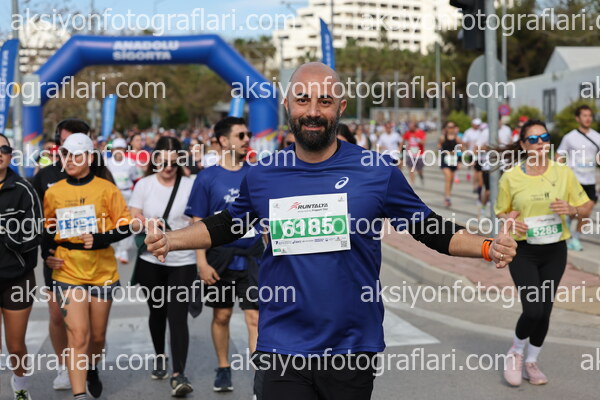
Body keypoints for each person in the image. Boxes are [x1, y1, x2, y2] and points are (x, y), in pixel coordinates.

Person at [145, 62, 518, 400]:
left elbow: (429, 228)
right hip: (282, 346)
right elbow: (228, 224)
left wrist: (488, 246)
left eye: (324, 101)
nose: (312, 111)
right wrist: (170, 239)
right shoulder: (263, 175)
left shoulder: (376, 171)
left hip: (350, 347)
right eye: (302, 100)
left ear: (341, 107)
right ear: (287, 106)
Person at [495, 119, 594, 387]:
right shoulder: (511, 177)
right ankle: (516, 352)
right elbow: (502, 211)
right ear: (524, 145)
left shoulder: (563, 173)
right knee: (533, 309)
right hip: (524, 250)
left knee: (546, 310)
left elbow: (586, 206)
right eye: (533, 139)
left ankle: (532, 361)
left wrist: (572, 210)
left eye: (545, 138)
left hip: (555, 250)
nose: (540, 143)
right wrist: (511, 221)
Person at [43, 134, 136, 400]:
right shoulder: (54, 191)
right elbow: (47, 229)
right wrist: (48, 255)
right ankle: (79, 394)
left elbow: (126, 225)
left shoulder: (107, 189)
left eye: (76, 155)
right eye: (66, 155)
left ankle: (92, 366)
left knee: (96, 337)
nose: (70, 161)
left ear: (89, 158)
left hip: (102, 271)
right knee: (78, 334)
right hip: (68, 271)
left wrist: (100, 238)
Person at [185, 116, 263, 393]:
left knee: (255, 318)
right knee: (222, 316)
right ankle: (223, 366)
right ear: (222, 141)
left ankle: (260, 379)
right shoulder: (207, 177)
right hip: (220, 258)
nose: (246, 140)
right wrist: (201, 262)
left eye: (248, 134)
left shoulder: (257, 173)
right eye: (240, 135)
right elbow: (197, 223)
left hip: (253, 256)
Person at [129, 136, 196, 397]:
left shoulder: (191, 185)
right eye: (163, 161)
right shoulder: (144, 185)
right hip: (151, 260)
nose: (168, 167)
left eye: (173, 162)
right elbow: (133, 219)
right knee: (157, 312)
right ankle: (159, 355)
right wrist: (147, 223)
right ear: (155, 160)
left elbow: (199, 220)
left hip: (183, 260)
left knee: (177, 316)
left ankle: (179, 374)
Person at [32, 119, 94, 392]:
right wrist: (46, 251)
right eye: (65, 142)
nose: (71, 148)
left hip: (93, 260)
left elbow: (115, 215)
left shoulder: (100, 173)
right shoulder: (45, 175)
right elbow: (36, 218)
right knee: (58, 316)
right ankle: (63, 366)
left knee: (90, 323)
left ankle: (88, 365)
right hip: (56, 258)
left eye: (78, 142)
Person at [0, 134, 43, 400]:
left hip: (17, 278)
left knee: (15, 346)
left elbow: (35, 233)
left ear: (10, 154)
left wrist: (8, 234)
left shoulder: (23, 189)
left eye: (3, 148)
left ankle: (21, 384)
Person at [556, 104, 600, 251]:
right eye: (584, 115)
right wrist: (560, 172)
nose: (588, 118)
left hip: (590, 180)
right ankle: (570, 228)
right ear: (577, 118)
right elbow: (559, 154)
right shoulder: (570, 137)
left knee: (587, 211)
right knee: (576, 211)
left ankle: (575, 237)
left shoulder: (597, 136)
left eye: (590, 116)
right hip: (574, 181)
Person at [105, 138, 141, 264]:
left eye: (121, 148)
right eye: (116, 149)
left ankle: (123, 249)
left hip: (127, 194)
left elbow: (136, 180)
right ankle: (118, 247)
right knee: (114, 222)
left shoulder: (131, 163)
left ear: (124, 150)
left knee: (127, 221)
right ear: (112, 150)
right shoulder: (107, 163)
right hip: (112, 195)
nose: (118, 151)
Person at [438, 121, 462, 207]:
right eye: (449, 127)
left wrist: (460, 162)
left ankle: (448, 195)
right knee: (448, 177)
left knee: (451, 179)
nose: (450, 129)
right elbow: (439, 147)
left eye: (452, 127)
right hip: (445, 161)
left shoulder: (457, 138)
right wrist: (445, 151)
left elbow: (461, 150)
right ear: (446, 128)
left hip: (453, 161)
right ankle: (447, 198)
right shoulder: (443, 138)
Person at [403, 121, 426, 186]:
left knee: (419, 170)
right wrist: (401, 149)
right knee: (411, 169)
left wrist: (417, 139)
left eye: (411, 127)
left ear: (415, 126)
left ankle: (421, 177)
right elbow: (403, 140)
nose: (409, 128)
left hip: (419, 154)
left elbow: (423, 142)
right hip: (410, 154)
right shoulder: (408, 133)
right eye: (409, 127)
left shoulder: (421, 132)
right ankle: (412, 184)